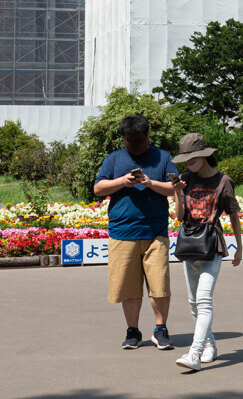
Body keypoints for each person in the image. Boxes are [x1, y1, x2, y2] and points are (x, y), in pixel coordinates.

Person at [93, 115, 179, 350]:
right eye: (130, 141)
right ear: (124, 138)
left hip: (155, 232)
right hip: (122, 233)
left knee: (159, 285)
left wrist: (150, 183)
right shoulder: (114, 159)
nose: (135, 146)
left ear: (148, 136)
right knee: (128, 287)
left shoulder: (163, 157)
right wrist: (123, 181)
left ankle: (160, 329)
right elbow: (98, 188)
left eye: (139, 141)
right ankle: (132, 331)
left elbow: (174, 188)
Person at [171, 133, 243, 372]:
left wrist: (239, 247)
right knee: (193, 303)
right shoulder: (183, 179)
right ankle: (210, 346)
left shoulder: (223, 181)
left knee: (203, 299)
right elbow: (179, 217)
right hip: (189, 243)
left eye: (191, 158)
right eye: (185, 159)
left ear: (203, 155)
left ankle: (195, 352)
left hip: (211, 244)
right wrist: (177, 194)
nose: (187, 163)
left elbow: (233, 214)